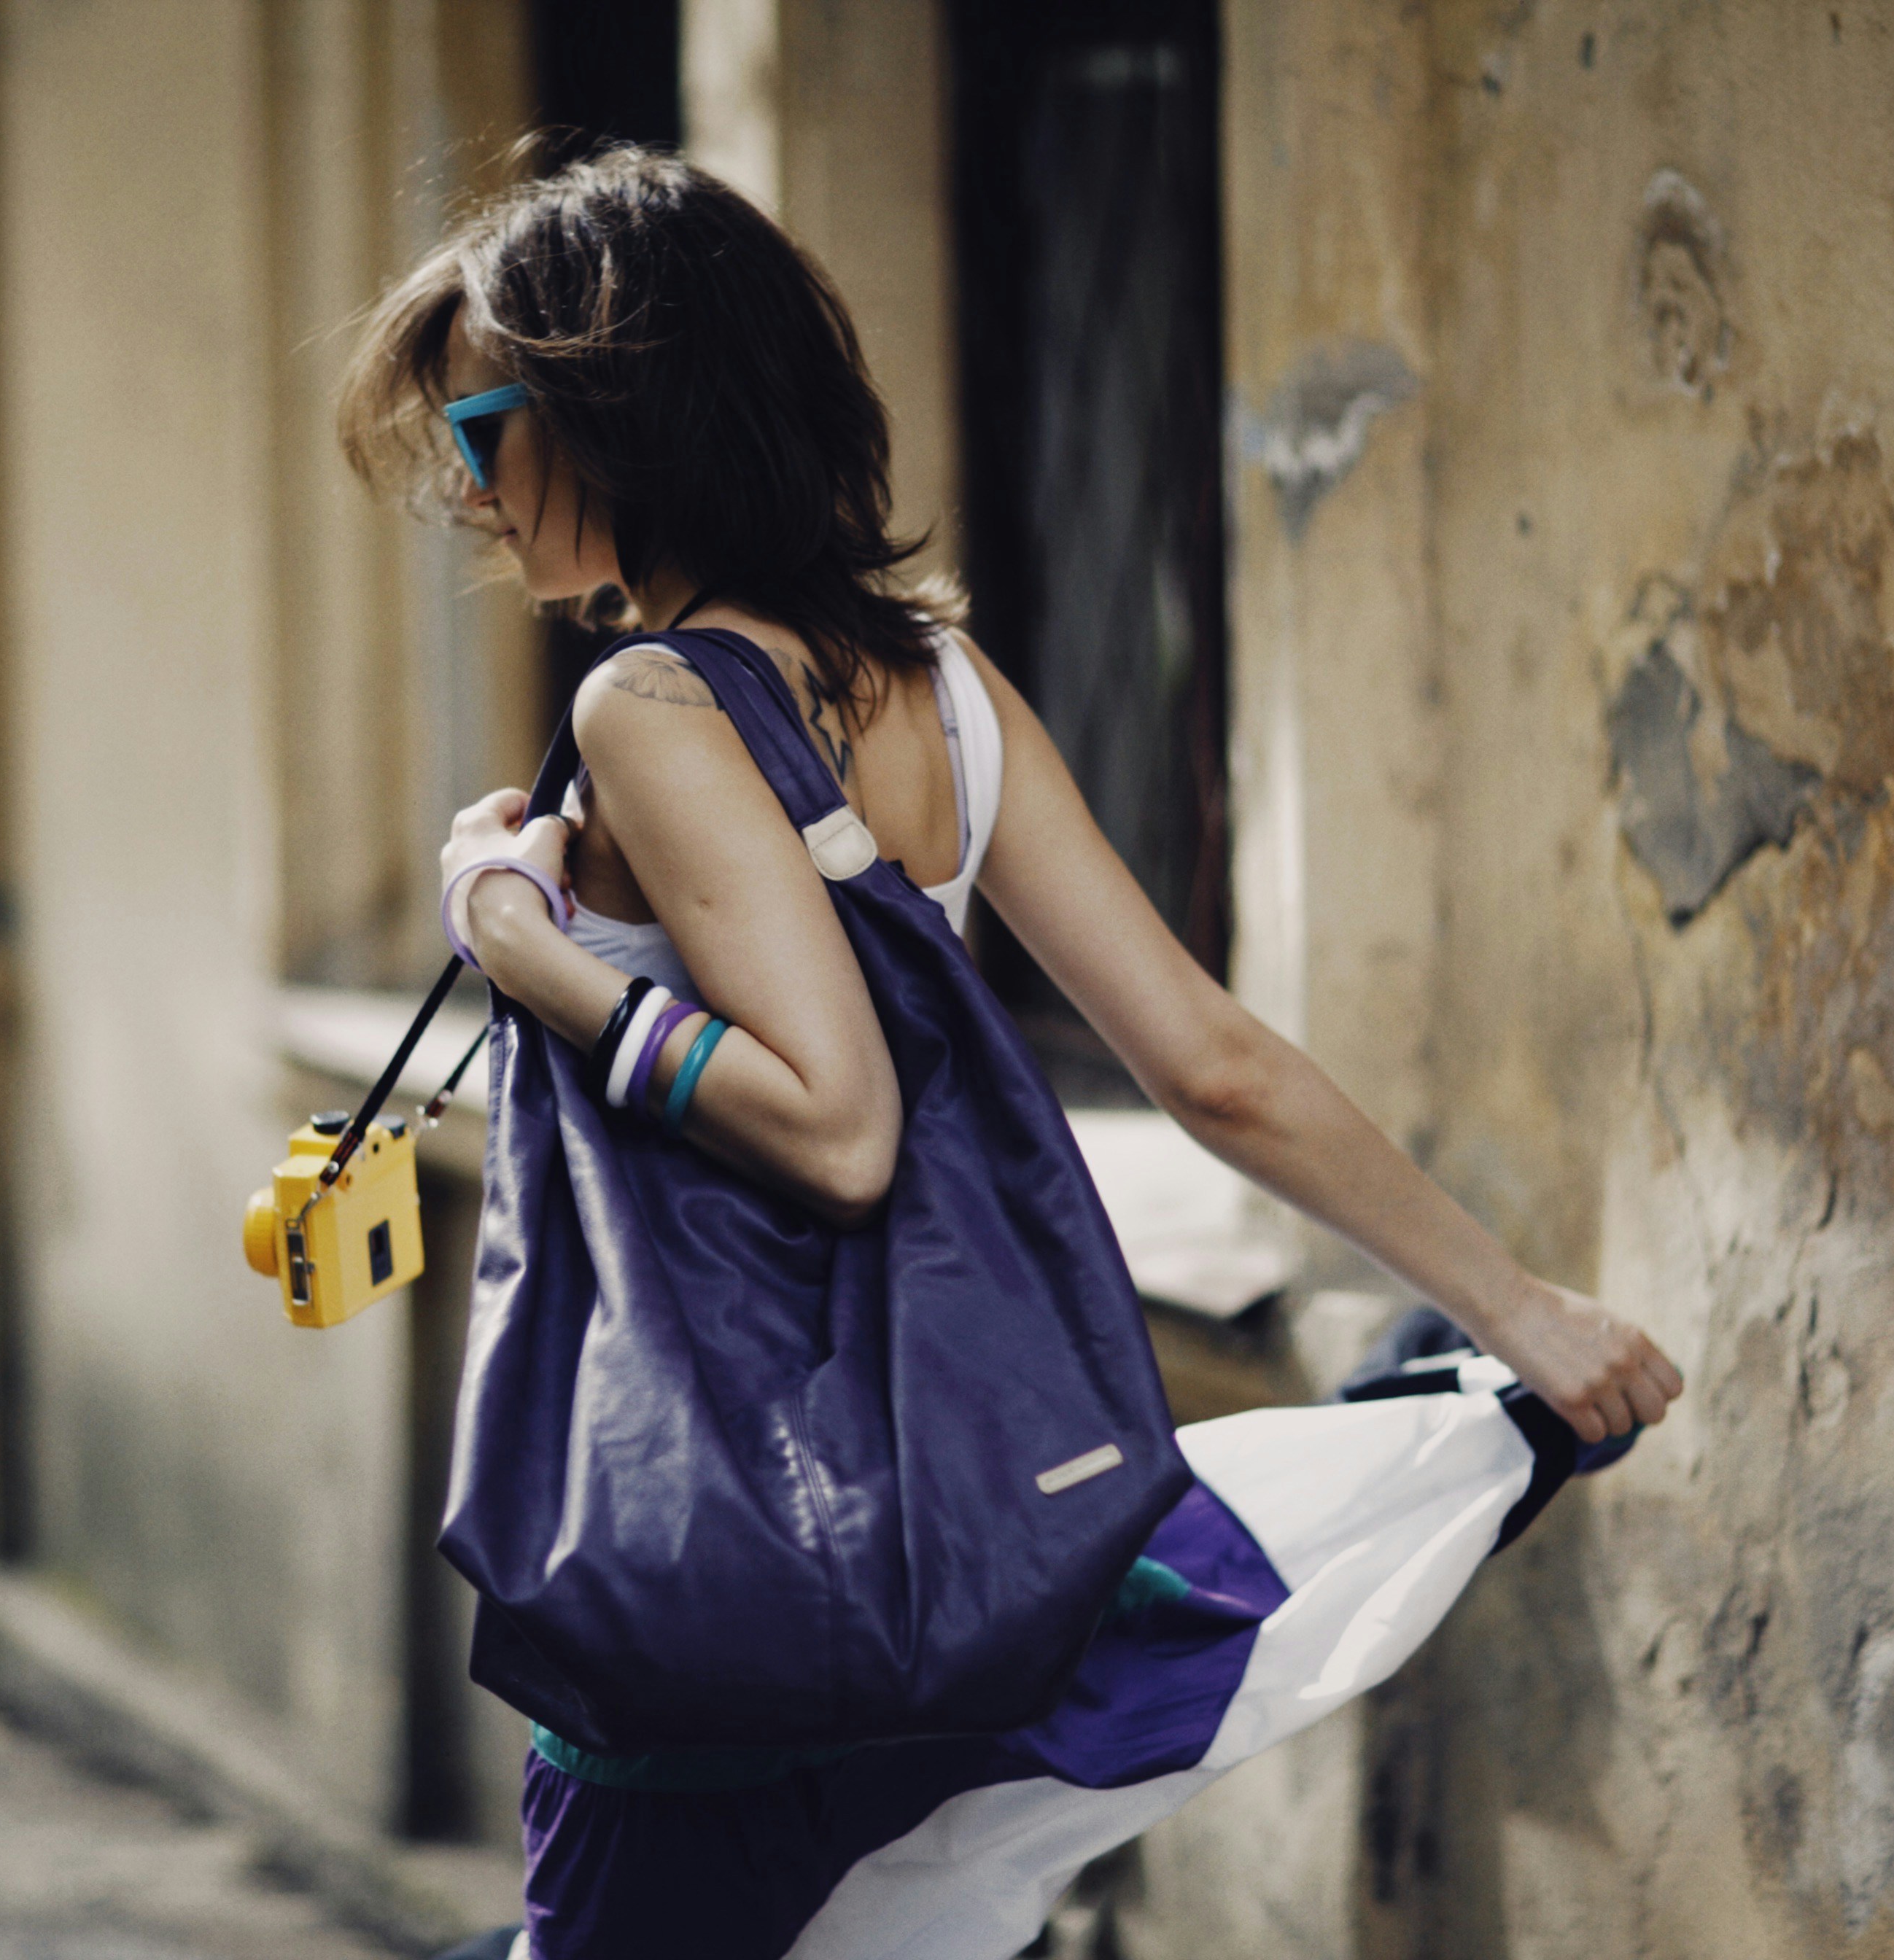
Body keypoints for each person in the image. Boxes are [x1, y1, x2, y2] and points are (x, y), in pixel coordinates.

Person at [341, 147, 1681, 1960]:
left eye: (486, 424)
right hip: (964, 1518)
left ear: (619, 411)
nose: (472, 490)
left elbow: (833, 1126)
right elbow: (1210, 1062)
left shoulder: (643, 706)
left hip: (731, 1549)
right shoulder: (942, 685)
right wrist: (1518, 1310)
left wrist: (514, 933)